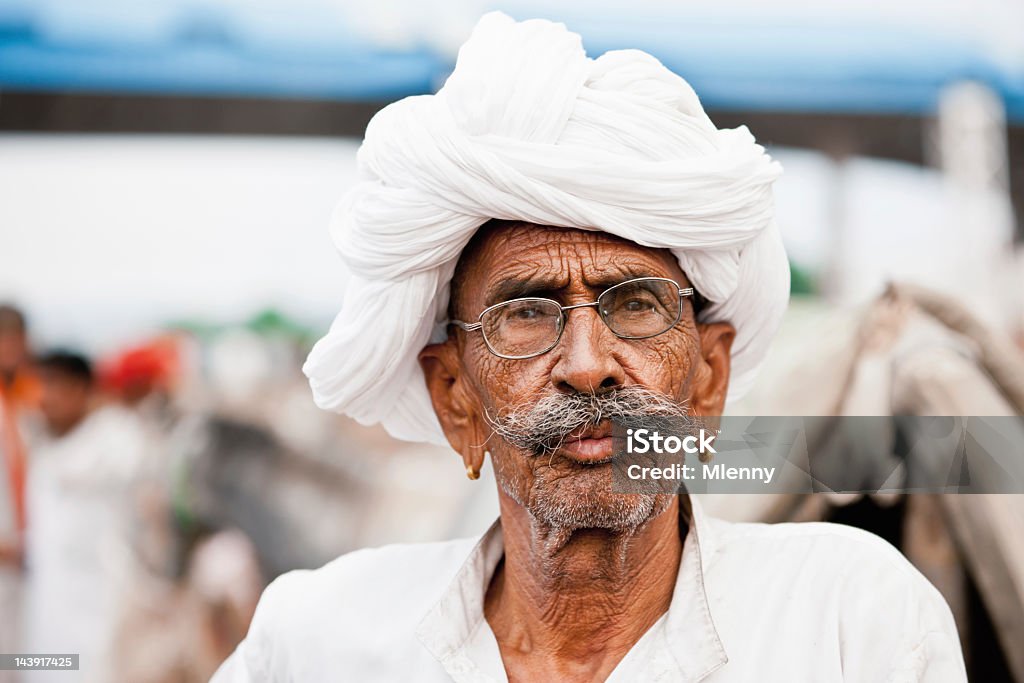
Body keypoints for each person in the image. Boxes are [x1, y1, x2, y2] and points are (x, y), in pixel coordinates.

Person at [213, 13, 965, 682]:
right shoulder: (316, 640)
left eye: (636, 306)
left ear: (708, 379)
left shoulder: (851, 623)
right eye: (527, 314)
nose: (585, 362)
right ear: (455, 399)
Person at [24, 351, 148, 682]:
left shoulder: (116, 439)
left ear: (82, 389)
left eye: (55, 385)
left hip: (102, 618)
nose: (45, 397)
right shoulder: (42, 447)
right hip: (47, 620)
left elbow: (123, 465)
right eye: (40, 386)